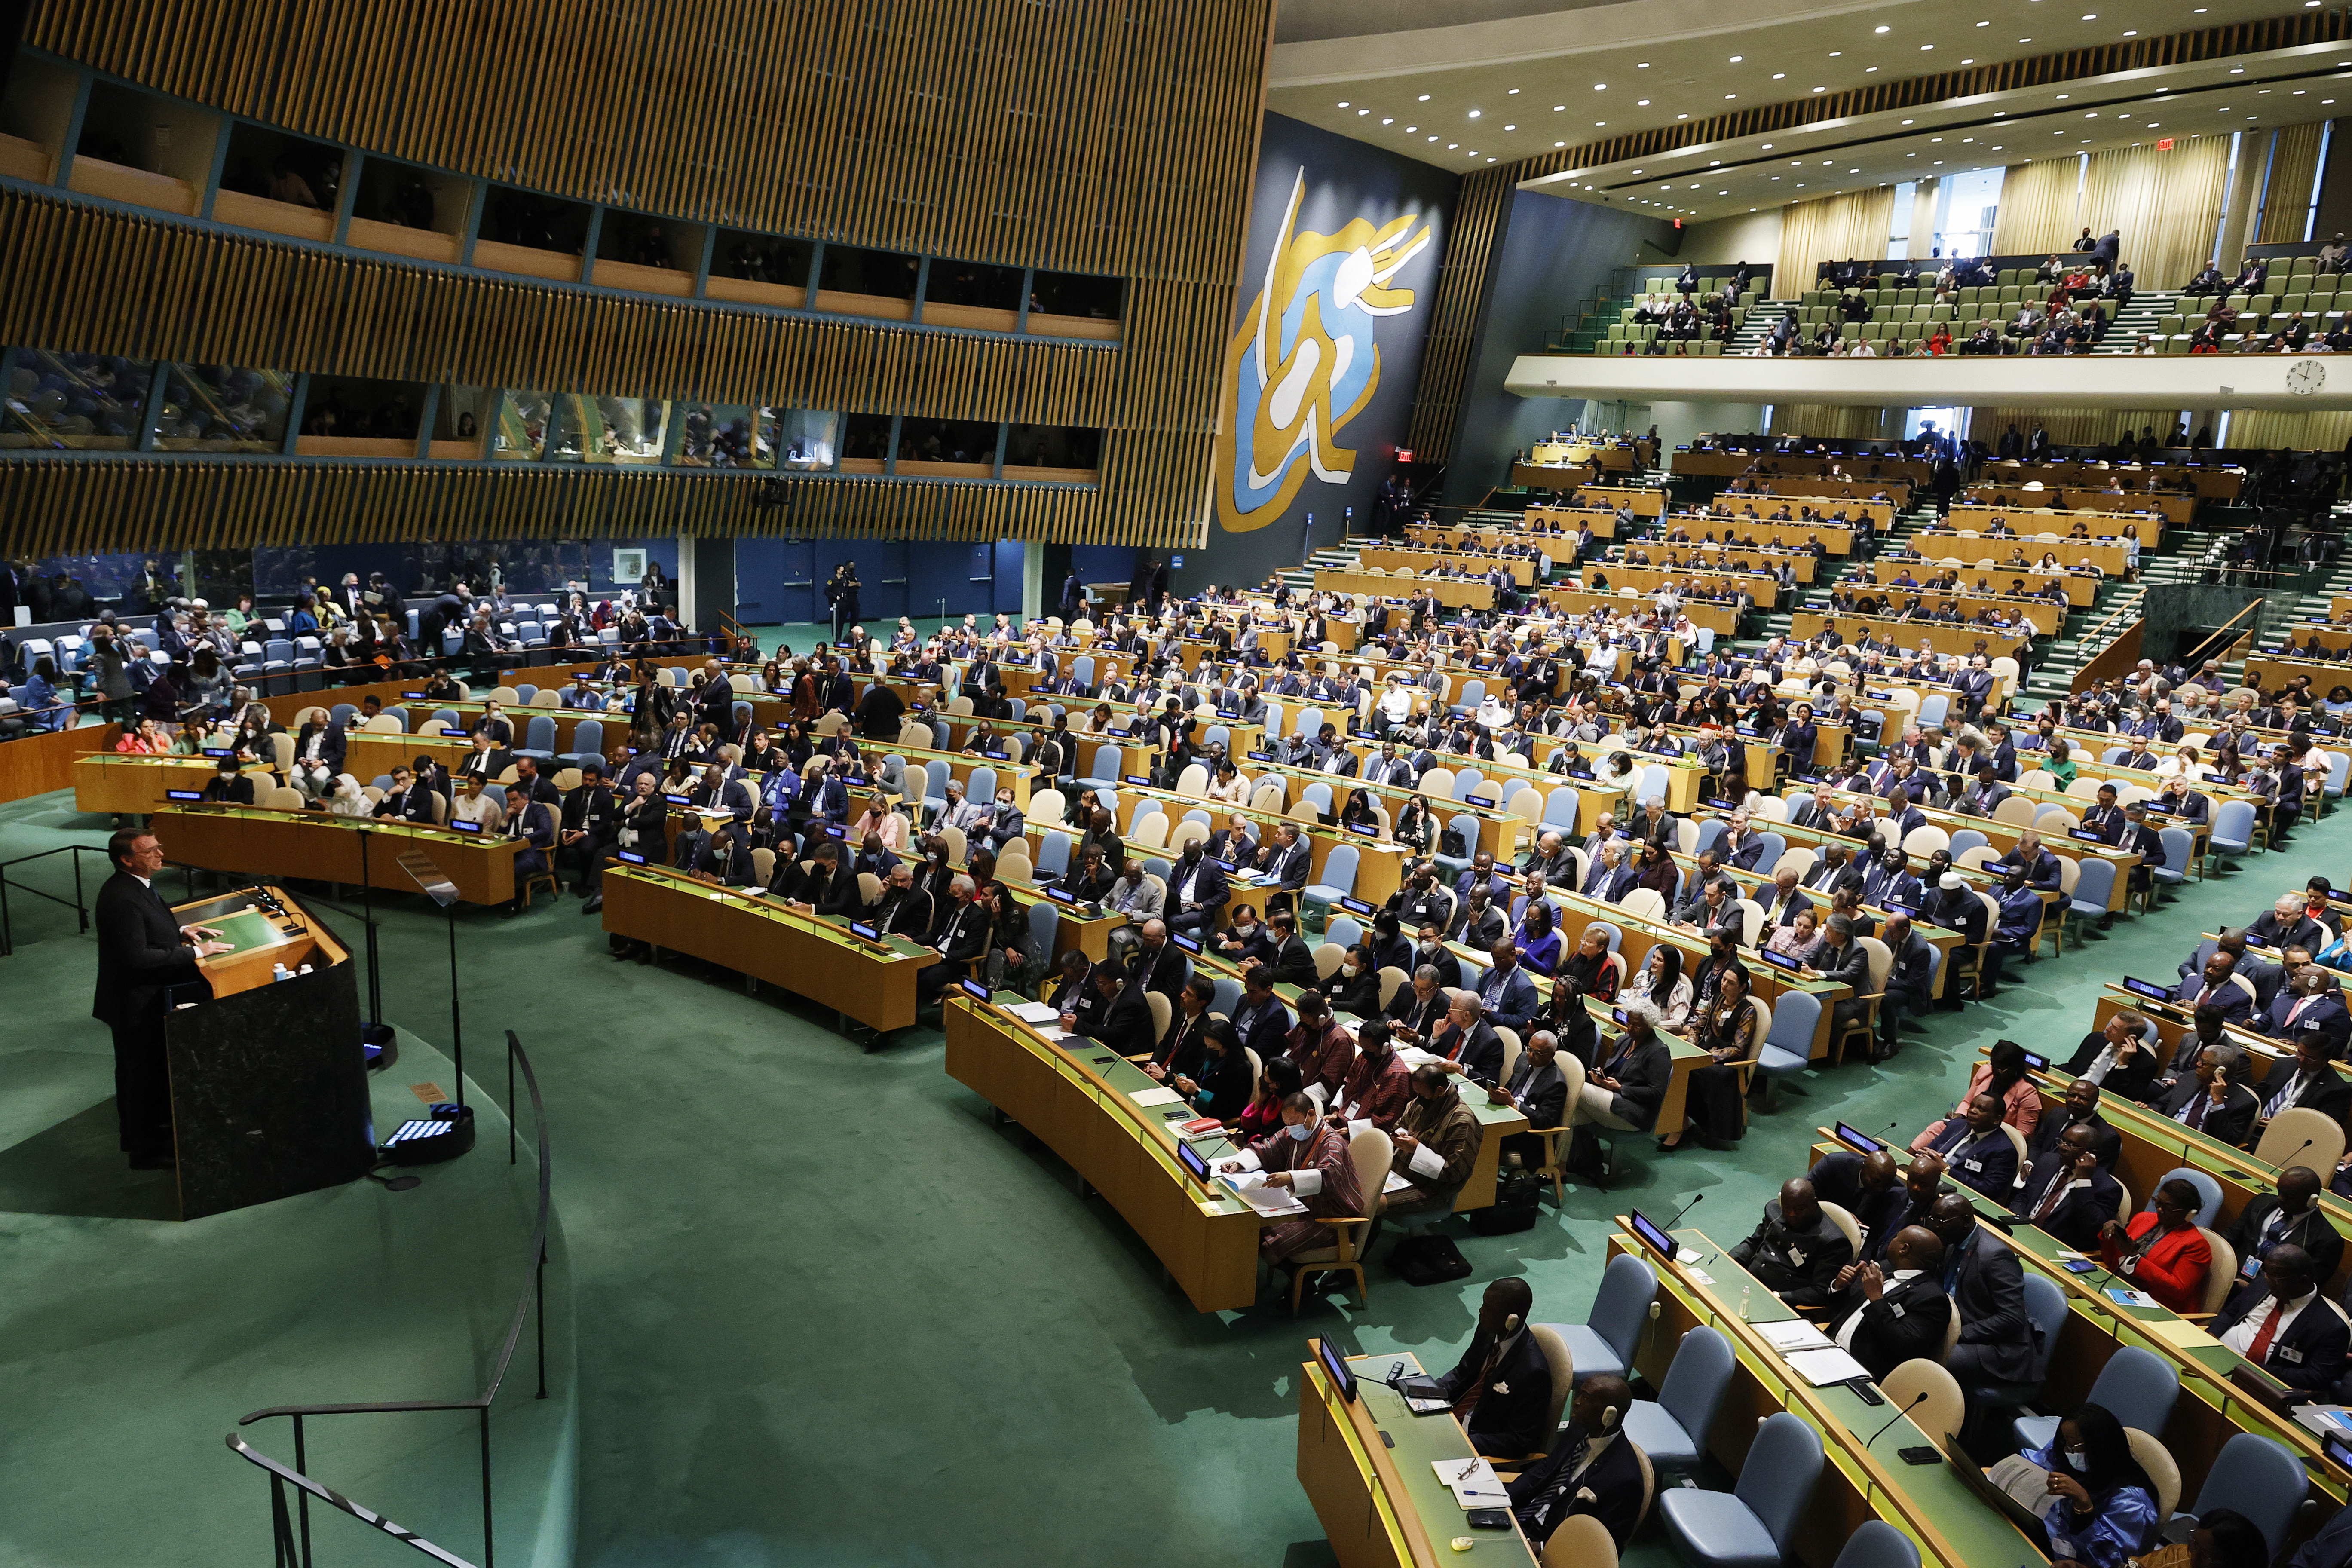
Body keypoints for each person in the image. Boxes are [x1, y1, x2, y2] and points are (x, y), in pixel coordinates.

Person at [92, 829, 237, 1169]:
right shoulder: (121, 897)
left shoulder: (136, 885)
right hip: (135, 1003)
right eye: (150, 851)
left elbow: (147, 926)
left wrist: (180, 932)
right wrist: (194, 952)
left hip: (146, 998)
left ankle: (149, 1136)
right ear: (128, 860)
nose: (160, 854)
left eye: (159, 846)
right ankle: (145, 1152)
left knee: (147, 1073)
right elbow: (136, 957)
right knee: (139, 1077)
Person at [1219, 1090, 1363, 1272]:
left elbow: (1327, 1176)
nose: (1291, 1128)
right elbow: (1266, 1149)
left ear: (1311, 1114)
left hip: (1329, 1219)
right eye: (1287, 1124)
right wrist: (1238, 1164)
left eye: (1294, 1123)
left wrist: (1290, 1177)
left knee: (1270, 1247)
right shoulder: (1292, 1133)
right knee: (1251, 1225)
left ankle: (1302, 1282)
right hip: (1299, 1207)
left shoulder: (1332, 1142)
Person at [1505, 1373, 1644, 1551]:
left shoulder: (1625, 1479)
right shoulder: (1579, 1427)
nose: (1577, 1402)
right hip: (1523, 1515)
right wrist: (1506, 1497)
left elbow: (1605, 1545)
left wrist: (1544, 1548)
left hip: (1550, 1545)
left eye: (1586, 1398)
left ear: (1609, 1415)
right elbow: (1547, 1468)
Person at [2011, 1403, 2160, 1567]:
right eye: (2065, 1441)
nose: (2068, 1450)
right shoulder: (2065, 1450)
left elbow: (2110, 1562)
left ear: (2099, 1448)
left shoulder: (2132, 1502)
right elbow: (2038, 1463)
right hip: (2035, 1534)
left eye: (2075, 1446)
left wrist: (2084, 1506)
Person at [1427, 1278, 1554, 1458]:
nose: (1481, 1311)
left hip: (1475, 1445)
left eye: (1488, 1308)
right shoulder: (1489, 1329)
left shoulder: (1533, 1373)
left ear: (1512, 1320)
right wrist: (1428, 1393)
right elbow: (1462, 1372)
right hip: (1451, 1419)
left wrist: (1461, 1440)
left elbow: (1519, 1441)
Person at [2210, 1242, 2347, 1391]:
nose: (2268, 1281)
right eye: (2267, 1274)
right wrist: (2210, 1338)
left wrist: (2252, 1368)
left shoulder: (2332, 1327)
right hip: (2216, 1354)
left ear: (2303, 1281)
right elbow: (2230, 1314)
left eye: (2275, 1279)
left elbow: (2315, 1377)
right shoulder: (2264, 1283)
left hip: (2257, 1382)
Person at [1819, 1225, 1948, 1382]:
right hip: (1828, 1349)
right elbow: (1846, 1312)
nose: (1891, 1240)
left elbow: (1903, 1345)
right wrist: (1840, 1286)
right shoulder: (1887, 1269)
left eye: (1896, 1237)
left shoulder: (1931, 1298)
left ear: (1904, 1249)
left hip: (1860, 1372)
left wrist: (1876, 1298)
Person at [1664, 964, 1757, 1151]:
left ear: (1742, 987)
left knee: (1691, 1072)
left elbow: (1738, 1049)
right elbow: (1698, 1027)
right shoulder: (1715, 999)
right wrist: (1691, 1043)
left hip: (1727, 1064)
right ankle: (1681, 1123)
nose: (1724, 985)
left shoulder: (1748, 1011)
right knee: (1673, 1064)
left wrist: (1709, 1057)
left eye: (1731, 983)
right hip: (1704, 1052)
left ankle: (1681, 1127)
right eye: (1724, 979)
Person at [2223, 1164, 2344, 1302]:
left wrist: (2256, 1288)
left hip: (2269, 1299)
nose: (2280, 1199)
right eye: (2280, 1192)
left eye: (2289, 1197)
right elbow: (2230, 1238)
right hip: (2229, 1278)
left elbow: (2306, 1288)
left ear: (2312, 1200)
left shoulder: (2327, 1240)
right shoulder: (2261, 1203)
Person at [1729, 1177, 1853, 1306]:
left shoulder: (1834, 1242)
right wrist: (1729, 1261)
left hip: (1779, 1300)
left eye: (1800, 1209)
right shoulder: (1774, 1210)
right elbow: (1753, 1244)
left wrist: (1779, 1296)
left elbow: (1820, 1291)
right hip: (1747, 1282)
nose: (1792, 1214)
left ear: (1815, 1203)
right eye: (1787, 1208)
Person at [1380, 1063, 1482, 1220]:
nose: (1418, 1099)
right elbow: (1402, 1125)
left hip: (1430, 1189)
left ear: (1440, 1091)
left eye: (1422, 1094)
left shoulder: (1463, 1121)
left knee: (1375, 1203)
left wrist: (1416, 1149)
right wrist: (1400, 1136)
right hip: (1400, 1171)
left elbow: (1454, 1173)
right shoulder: (1420, 1102)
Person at [2098, 1177, 2214, 1314]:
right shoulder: (2143, 1218)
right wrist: (2110, 1235)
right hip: (2115, 1288)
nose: (2159, 1209)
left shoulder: (2197, 1245)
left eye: (2167, 1207)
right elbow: (2111, 1261)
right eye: (2157, 1202)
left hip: (2154, 1306)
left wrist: (2136, 1258)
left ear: (2189, 1214)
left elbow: (2179, 1289)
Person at [2012, 1122, 2125, 1250]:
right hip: (2019, 1230)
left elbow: (2092, 1228)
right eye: (2062, 1141)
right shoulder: (2048, 1161)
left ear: (2091, 1154)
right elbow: (2023, 1197)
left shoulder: (2108, 1188)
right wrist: (2017, 1220)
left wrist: (2084, 1182)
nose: (2063, 1147)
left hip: (2055, 1248)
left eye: (2072, 1145)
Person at [2156, 1043, 2259, 1145]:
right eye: (2200, 1060)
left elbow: (2228, 1141)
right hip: (2167, 1132)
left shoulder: (2244, 1102)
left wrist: (2218, 1102)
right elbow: (2162, 1104)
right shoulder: (2190, 1078)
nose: (2198, 1064)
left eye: (2204, 1063)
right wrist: (2148, 1108)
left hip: (2199, 1146)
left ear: (2220, 1071)